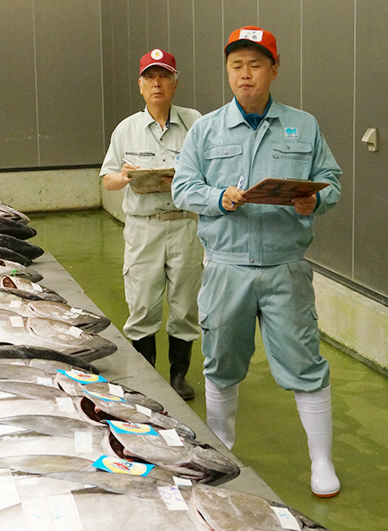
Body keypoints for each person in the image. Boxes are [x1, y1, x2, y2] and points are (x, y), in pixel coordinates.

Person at [171, 26, 343, 497]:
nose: (245, 75)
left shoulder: (302, 125)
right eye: (236, 66)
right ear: (227, 71)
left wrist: (315, 201)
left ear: (274, 68)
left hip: (286, 266)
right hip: (226, 266)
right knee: (221, 360)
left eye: (255, 64)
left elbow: (330, 179)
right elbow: (182, 188)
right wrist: (218, 197)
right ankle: (222, 448)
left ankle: (321, 462)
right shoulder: (205, 130)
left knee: (305, 362)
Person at [100, 48, 203, 401]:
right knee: (143, 303)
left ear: (175, 83)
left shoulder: (195, 123)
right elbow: (107, 179)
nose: (157, 83)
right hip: (144, 226)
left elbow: (212, 170)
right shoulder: (126, 129)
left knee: (185, 303)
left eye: (164, 76)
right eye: (150, 77)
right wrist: (125, 176)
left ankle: (178, 376)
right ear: (140, 85)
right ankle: (147, 379)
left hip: (187, 225)